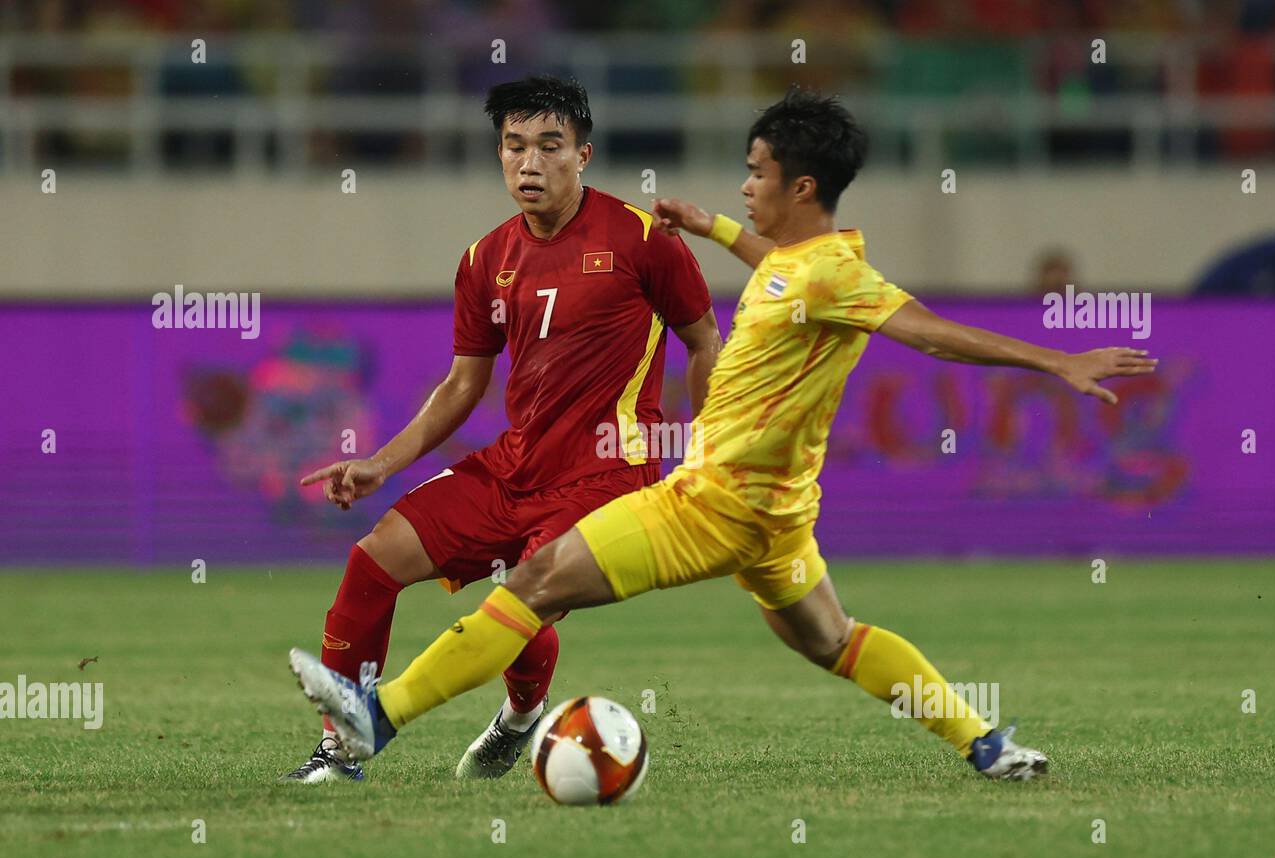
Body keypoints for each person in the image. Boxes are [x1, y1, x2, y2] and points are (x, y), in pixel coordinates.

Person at [290, 88, 1157, 782]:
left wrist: (1055, 362)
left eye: (756, 173)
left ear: (800, 187)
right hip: (778, 513)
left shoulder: (835, 275)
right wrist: (716, 228)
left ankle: (379, 717)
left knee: (539, 581)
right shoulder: (795, 260)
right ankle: (986, 741)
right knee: (834, 638)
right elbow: (778, 269)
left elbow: (927, 331)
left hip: (714, 500)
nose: (746, 185)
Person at [282, 75, 720, 782]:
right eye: (514, 146)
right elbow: (463, 383)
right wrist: (380, 464)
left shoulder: (642, 240)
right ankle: (341, 748)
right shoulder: (486, 259)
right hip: (516, 465)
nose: (530, 162)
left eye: (550, 146)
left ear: (583, 155)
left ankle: (498, 715)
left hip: (608, 472)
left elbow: (704, 340)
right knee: (375, 558)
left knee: (518, 596)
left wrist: (707, 447)